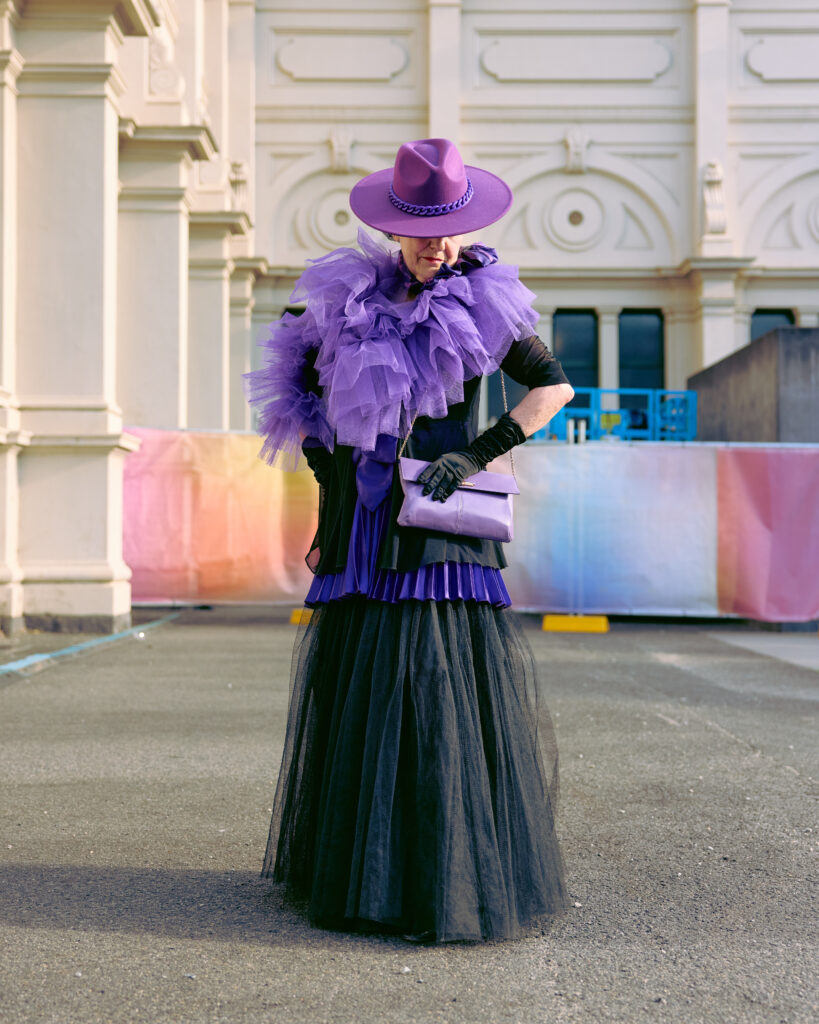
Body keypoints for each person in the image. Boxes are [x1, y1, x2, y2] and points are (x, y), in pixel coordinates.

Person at [246, 138, 574, 943]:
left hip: (439, 524)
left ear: (465, 228)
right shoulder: (346, 305)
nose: (433, 245)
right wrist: (327, 525)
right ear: (394, 232)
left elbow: (555, 388)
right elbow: (316, 422)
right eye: (417, 230)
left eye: (446, 230)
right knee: (364, 688)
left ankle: (439, 877)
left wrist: (474, 453)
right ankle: (364, 873)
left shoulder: (485, 305)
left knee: (432, 685)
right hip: (363, 529)